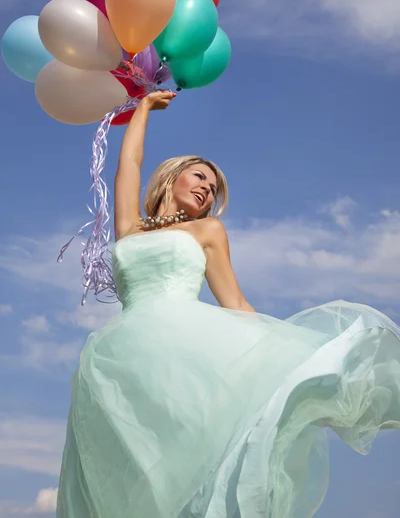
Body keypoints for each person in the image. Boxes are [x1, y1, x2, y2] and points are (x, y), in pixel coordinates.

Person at [57, 91, 400, 518]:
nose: (206, 188)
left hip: (187, 347)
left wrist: (283, 359)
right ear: (171, 178)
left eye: (212, 187)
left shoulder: (208, 231)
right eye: (199, 177)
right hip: (122, 359)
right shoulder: (130, 229)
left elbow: (233, 300)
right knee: (132, 464)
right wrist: (142, 108)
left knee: (195, 453)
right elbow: (127, 165)